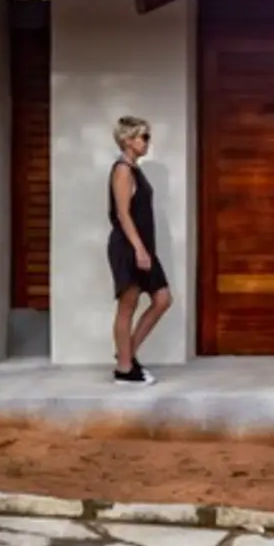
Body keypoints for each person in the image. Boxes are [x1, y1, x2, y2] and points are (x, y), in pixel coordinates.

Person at [108, 115, 171, 384]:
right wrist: (139, 249)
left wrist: (146, 249)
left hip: (143, 246)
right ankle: (125, 369)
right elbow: (122, 214)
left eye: (148, 137)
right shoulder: (122, 170)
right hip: (128, 247)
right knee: (128, 304)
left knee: (162, 299)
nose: (147, 142)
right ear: (127, 140)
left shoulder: (135, 169)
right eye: (143, 137)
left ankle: (125, 355)